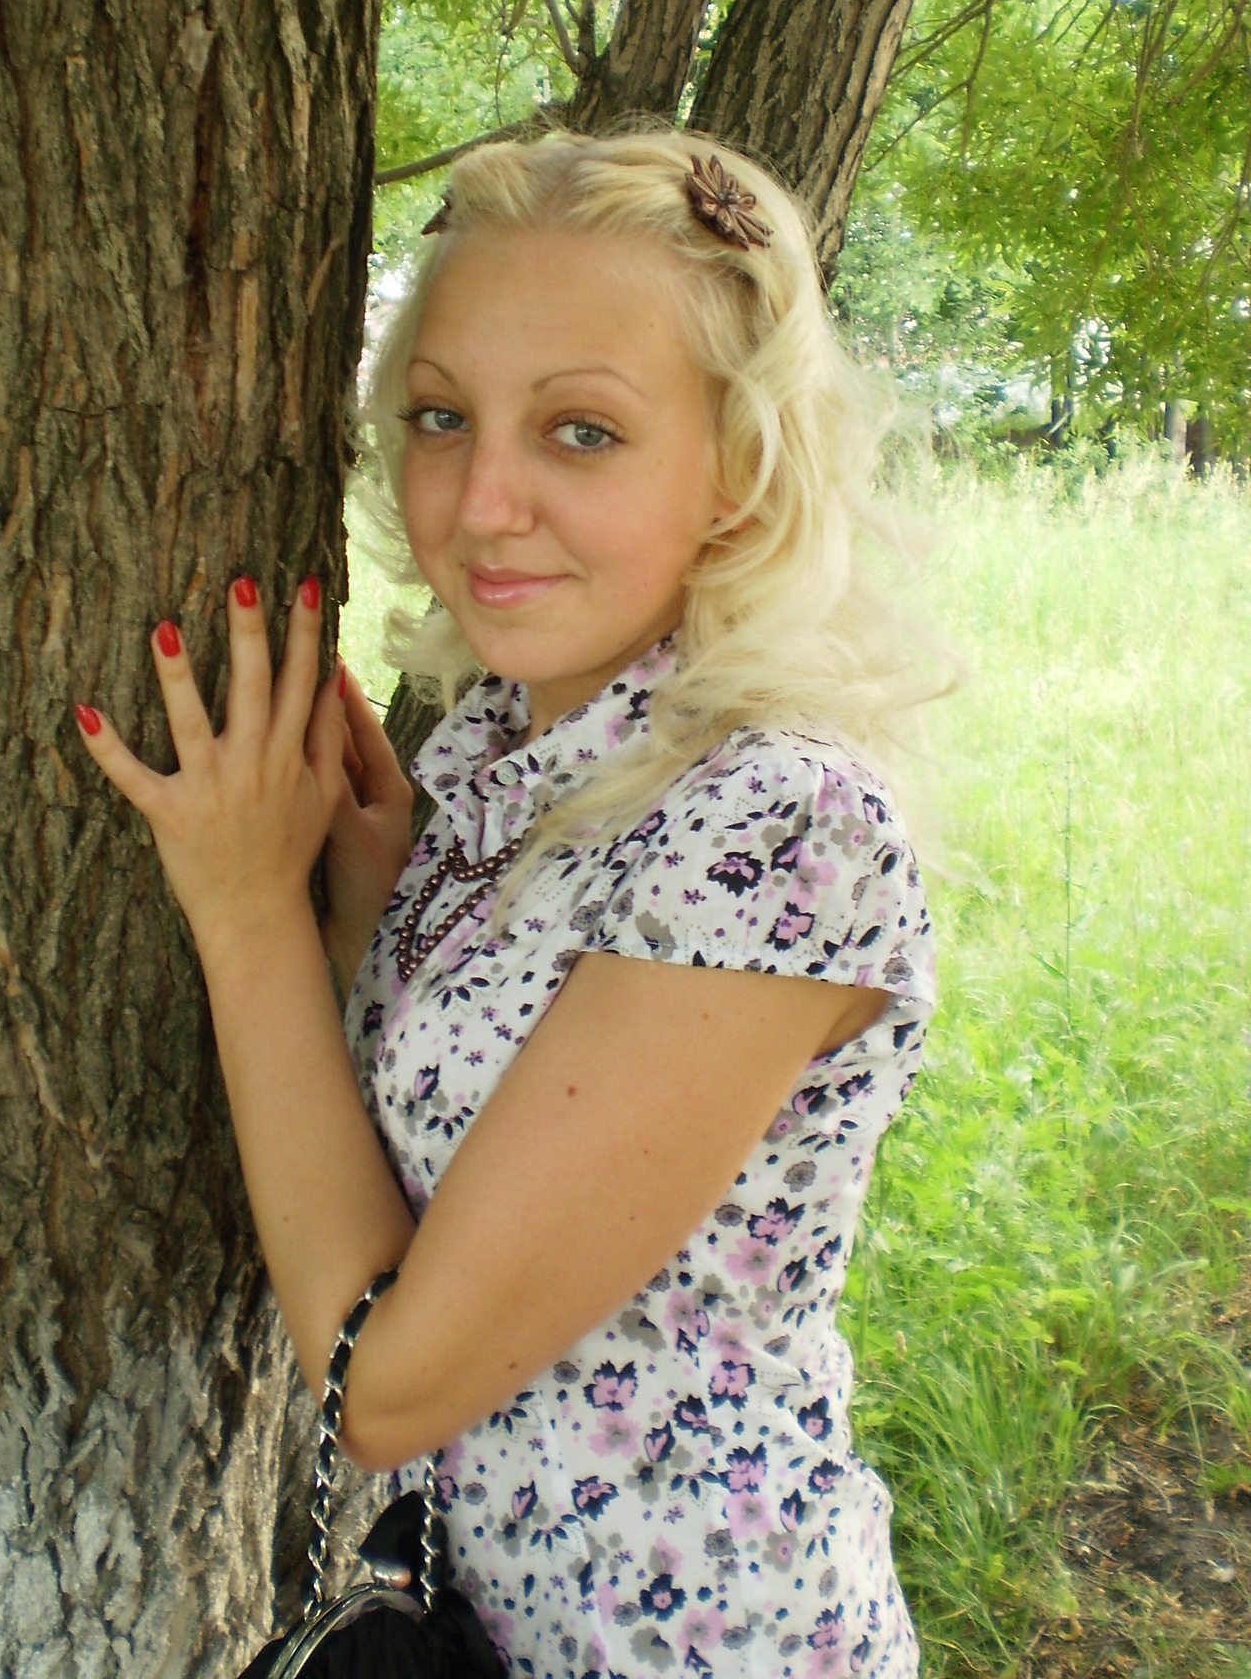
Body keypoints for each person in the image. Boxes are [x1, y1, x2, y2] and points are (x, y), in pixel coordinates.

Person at [75, 126, 949, 1678]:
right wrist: (378, 925)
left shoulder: (779, 819)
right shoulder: (510, 747)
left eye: (582, 432)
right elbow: (486, 1127)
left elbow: (385, 1388)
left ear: (739, 470)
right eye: (440, 417)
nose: (481, 504)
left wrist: (246, 916)